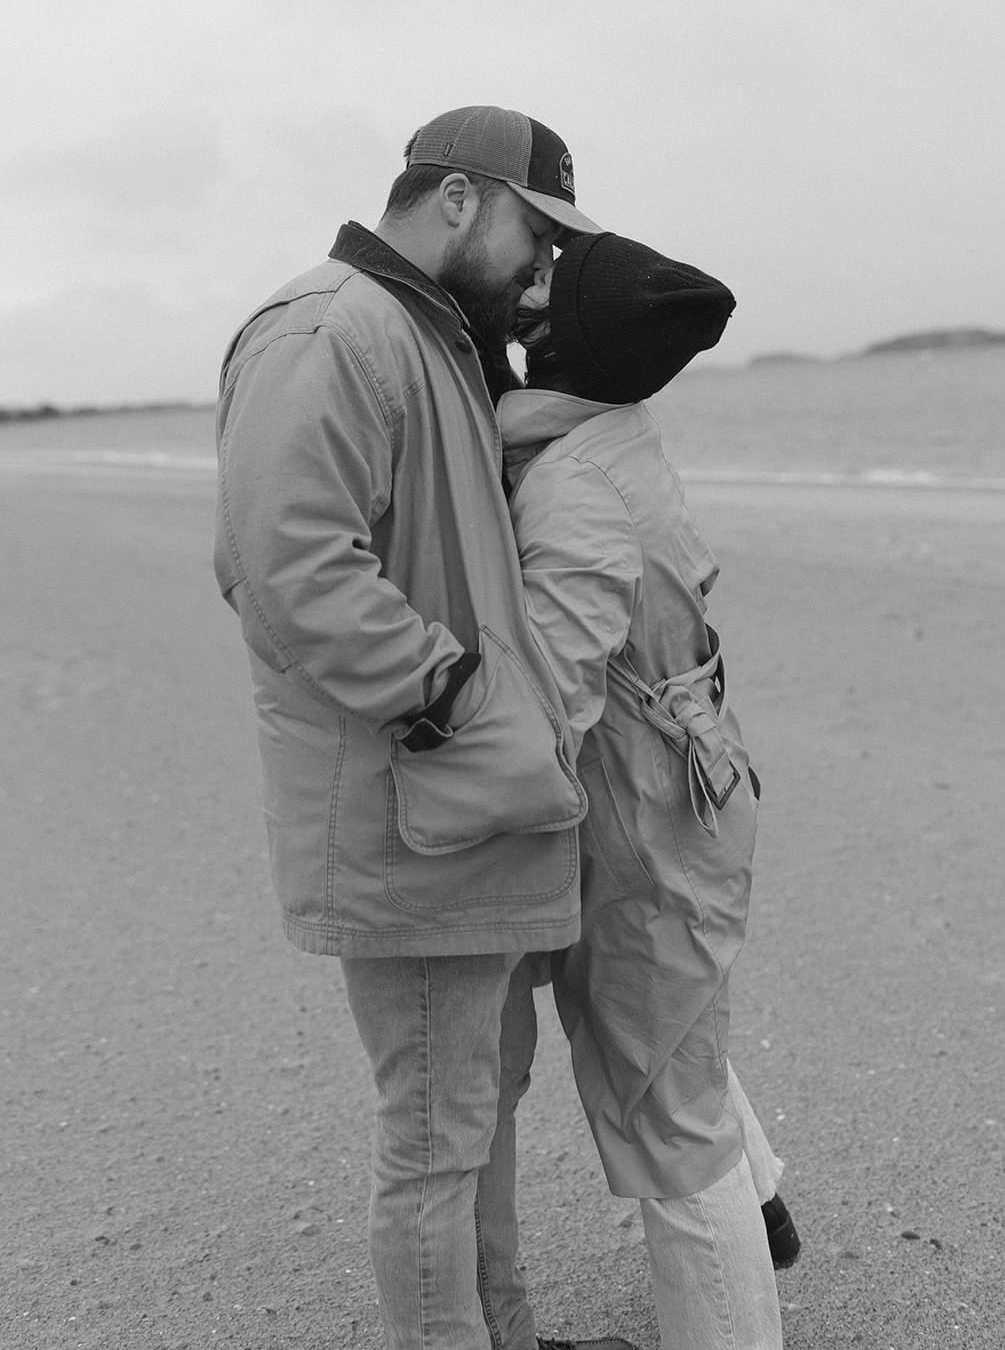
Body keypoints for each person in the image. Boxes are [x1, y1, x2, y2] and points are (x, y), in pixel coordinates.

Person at [213, 106, 635, 1350]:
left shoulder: (428, 334)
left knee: (474, 1113)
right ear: (457, 200)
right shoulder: (333, 327)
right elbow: (282, 563)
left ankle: (504, 1331)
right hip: (413, 808)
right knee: (434, 1137)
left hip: (460, 806)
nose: (543, 267)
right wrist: (453, 695)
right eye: (535, 232)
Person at [498, 232, 788, 1349]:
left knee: (667, 1115)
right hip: (684, 785)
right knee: (662, 1036)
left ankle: (732, 1296)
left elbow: (556, 697)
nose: (521, 297)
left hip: (648, 811)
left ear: (565, 337)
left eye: (541, 288)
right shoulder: (603, 432)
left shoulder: (569, 483)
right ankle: (759, 1193)